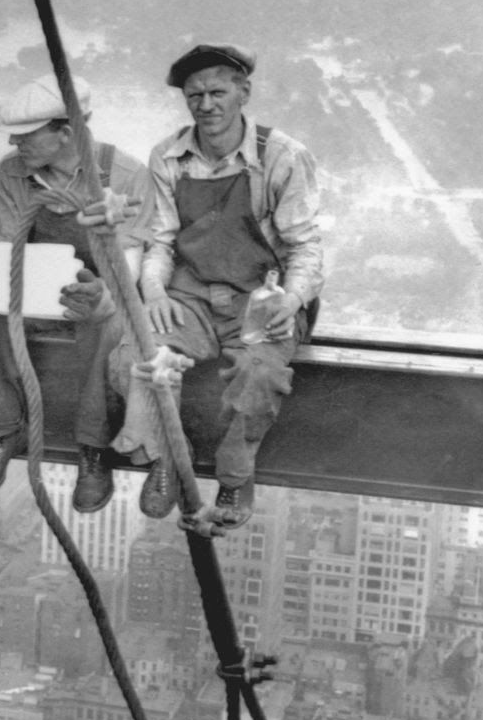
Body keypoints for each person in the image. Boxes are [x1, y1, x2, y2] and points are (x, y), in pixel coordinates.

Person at [107, 44, 323, 529]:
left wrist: (292, 299)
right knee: (134, 358)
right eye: (194, 95)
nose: (205, 105)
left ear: (244, 92)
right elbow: (160, 241)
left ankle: (235, 475)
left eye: (218, 92)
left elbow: (306, 245)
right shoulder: (169, 156)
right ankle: (167, 455)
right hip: (192, 296)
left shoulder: (281, 156)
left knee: (259, 374)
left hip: (261, 299)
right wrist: (154, 293)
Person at [0, 75, 150, 512]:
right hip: (34, 286)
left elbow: (130, 261)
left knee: (108, 325)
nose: (13, 142)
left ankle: (93, 447)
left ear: (66, 133)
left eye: (26, 135)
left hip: (99, 289)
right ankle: (0, 428)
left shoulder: (126, 175)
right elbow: (5, 246)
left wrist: (102, 293)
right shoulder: (12, 173)